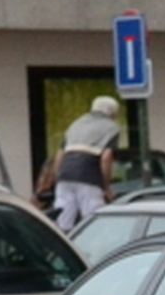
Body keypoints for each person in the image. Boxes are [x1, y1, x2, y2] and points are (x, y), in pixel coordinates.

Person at [52, 97, 123, 233]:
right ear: (113, 112)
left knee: (64, 220)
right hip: (88, 175)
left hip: (65, 175)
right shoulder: (111, 128)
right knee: (93, 222)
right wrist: (106, 187)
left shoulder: (76, 124)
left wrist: (58, 177)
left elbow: (59, 155)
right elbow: (106, 157)